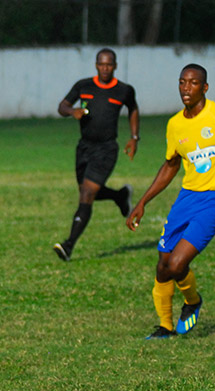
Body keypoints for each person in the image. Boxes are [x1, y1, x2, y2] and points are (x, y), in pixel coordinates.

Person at [126, 64, 215, 339]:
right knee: (162, 266)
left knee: (176, 265)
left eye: (194, 83)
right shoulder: (175, 124)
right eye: (182, 82)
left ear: (205, 87)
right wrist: (142, 202)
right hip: (187, 197)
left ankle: (193, 301)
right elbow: (170, 166)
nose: (186, 88)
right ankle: (165, 327)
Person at [53, 48, 140, 262]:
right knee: (87, 191)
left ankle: (68, 245)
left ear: (115, 66)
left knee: (87, 195)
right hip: (84, 148)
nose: (105, 68)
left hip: (107, 149)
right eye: (101, 64)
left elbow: (133, 109)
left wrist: (134, 137)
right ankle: (120, 196)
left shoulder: (124, 90)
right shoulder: (83, 86)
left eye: (109, 65)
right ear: (96, 65)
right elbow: (62, 106)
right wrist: (72, 112)